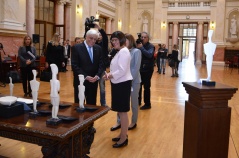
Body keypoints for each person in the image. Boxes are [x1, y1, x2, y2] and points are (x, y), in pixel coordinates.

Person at [103, 31, 132, 148]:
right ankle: (122, 134)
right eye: (112, 40)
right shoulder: (120, 51)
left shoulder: (124, 51)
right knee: (120, 111)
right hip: (119, 83)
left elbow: (122, 70)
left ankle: (124, 138)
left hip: (122, 84)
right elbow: (118, 69)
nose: (113, 42)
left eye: (115, 40)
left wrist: (109, 75)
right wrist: (110, 74)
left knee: (123, 112)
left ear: (121, 40)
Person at [110, 33, 142, 132]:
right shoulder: (121, 51)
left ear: (130, 41)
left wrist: (130, 81)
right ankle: (119, 122)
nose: (123, 42)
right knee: (122, 104)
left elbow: (135, 68)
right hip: (123, 81)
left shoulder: (136, 51)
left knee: (133, 103)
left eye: (125, 40)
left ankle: (133, 121)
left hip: (134, 81)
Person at [71, 29, 104, 105]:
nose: (93, 41)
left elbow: (101, 64)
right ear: (86, 37)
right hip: (81, 82)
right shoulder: (77, 47)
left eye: (95, 39)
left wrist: (98, 76)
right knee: (79, 105)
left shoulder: (98, 48)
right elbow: (74, 65)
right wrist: (85, 76)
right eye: (91, 38)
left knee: (92, 106)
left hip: (93, 82)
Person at [137, 32, 155, 110]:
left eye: (145, 37)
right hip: (140, 69)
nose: (143, 39)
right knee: (139, 86)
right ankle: (138, 101)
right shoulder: (139, 45)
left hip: (148, 69)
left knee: (146, 87)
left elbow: (149, 55)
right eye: (142, 37)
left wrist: (141, 48)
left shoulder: (151, 46)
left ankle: (147, 104)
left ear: (148, 38)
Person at [95, 23, 109, 106]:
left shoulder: (104, 44)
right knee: (93, 87)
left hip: (102, 68)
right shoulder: (93, 44)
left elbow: (105, 37)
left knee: (102, 87)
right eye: (98, 34)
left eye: (100, 35)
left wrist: (100, 29)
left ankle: (103, 102)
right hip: (94, 68)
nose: (99, 36)